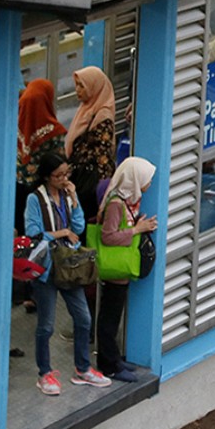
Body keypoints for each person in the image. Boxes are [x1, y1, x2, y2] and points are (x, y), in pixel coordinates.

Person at [24, 152, 111, 395]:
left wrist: (74, 198)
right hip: (48, 268)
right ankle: (45, 373)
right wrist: (61, 233)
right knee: (46, 325)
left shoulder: (66, 195)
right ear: (46, 177)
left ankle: (82, 369)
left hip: (69, 266)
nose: (64, 179)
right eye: (58, 175)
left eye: (67, 173)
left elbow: (79, 227)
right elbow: (33, 233)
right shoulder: (35, 199)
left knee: (83, 318)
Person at [95, 157, 158, 382]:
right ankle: (108, 365)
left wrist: (139, 224)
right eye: (146, 179)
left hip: (121, 276)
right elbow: (108, 236)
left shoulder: (125, 202)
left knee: (113, 318)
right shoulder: (116, 204)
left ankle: (113, 358)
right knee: (108, 321)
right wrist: (137, 230)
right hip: (114, 273)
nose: (149, 183)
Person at [16, 78, 66, 312]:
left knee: (24, 240)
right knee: (41, 240)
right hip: (43, 196)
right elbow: (61, 163)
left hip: (19, 192)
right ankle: (39, 290)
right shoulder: (53, 132)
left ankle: (24, 289)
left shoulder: (18, 126)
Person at [65, 66, 117, 220]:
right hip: (80, 176)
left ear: (94, 87)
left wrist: (102, 193)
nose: (77, 90)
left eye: (82, 86)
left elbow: (103, 157)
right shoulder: (86, 109)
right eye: (77, 85)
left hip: (90, 184)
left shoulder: (102, 115)